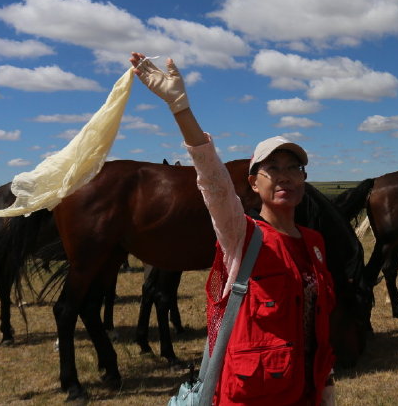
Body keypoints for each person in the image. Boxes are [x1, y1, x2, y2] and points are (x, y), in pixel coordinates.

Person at [130, 52, 336, 406]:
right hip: (251, 396)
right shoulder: (241, 236)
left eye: (294, 168)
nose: (285, 175)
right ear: (254, 183)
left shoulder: (315, 243)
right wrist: (180, 107)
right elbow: (213, 181)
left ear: (303, 180)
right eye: (273, 168)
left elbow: (319, 332)